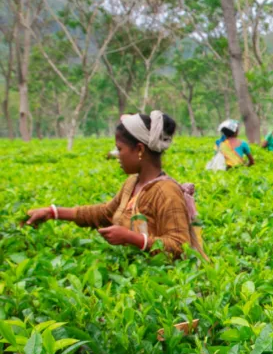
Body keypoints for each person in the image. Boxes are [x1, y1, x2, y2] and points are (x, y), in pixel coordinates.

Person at [24, 110, 205, 260]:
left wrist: (133, 239)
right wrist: (53, 212)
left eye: (120, 149)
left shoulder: (166, 192)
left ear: (140, 150)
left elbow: (179, 246)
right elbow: (104, 213)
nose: (117, 156)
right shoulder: (132, 183)